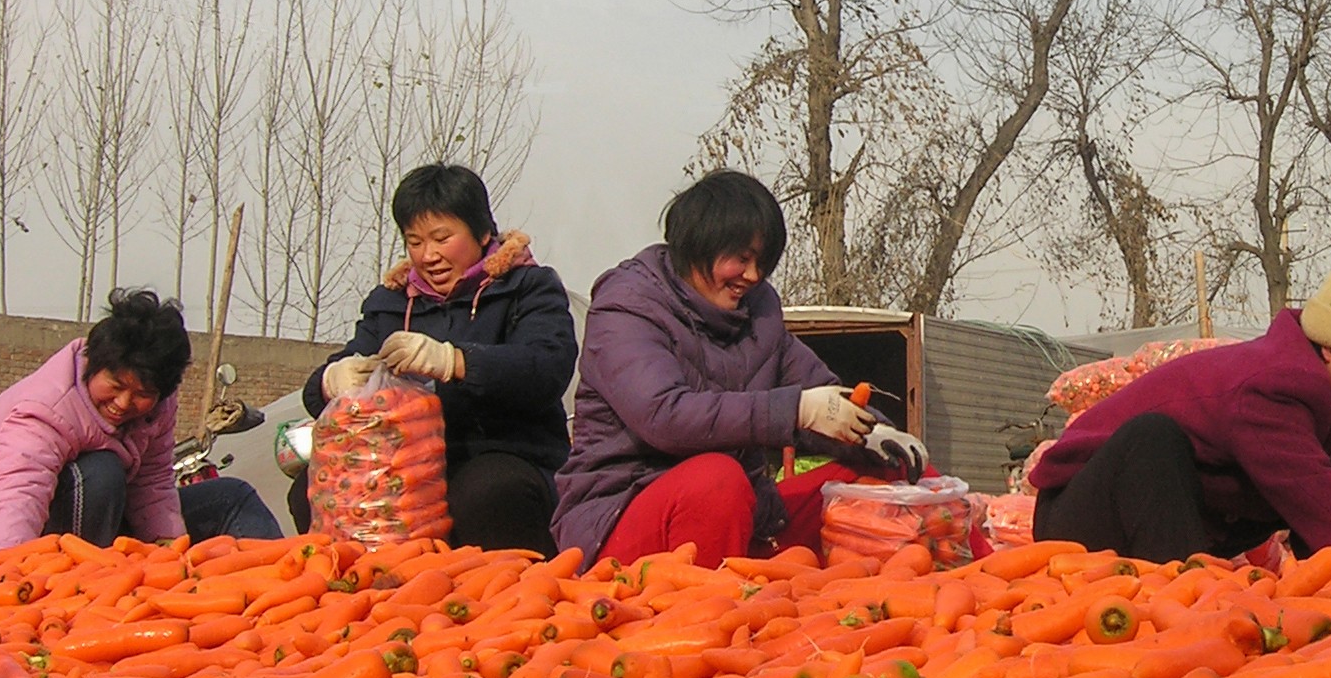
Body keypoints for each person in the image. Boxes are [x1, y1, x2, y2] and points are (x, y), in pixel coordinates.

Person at [555, 170, 927, 567]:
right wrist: (796, 410)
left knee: (886, 476)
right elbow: (663, 416)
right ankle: (699, 618)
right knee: (716, 480)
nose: (753, 276)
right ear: (698, 245)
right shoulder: (627, 308)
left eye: (762, 263)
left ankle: (980, 594)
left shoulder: (759, 314)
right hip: (625, 517)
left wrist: (870, 431)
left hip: (745, 515)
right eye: (742, 259)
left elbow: (823, 391)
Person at [1031, 243, 1331, 567]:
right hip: (1082, 514)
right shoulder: (1273, 385)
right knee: (1153, 438)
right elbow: (1315, 496)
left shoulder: (1326, 409)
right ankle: (1183, 606)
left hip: (1165, 508)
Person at [300, 163, 578, 551]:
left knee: (486, 493)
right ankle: (361, 603)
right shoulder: (391, 303)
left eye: (441, 238)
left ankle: (517, 600)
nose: (428, 255)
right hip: (404, 465)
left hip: (503, 454)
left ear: (483, 232)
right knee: (318, 491)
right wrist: (330, 380)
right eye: (415, 242)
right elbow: (335, 381)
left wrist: (456, 362)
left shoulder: (527, 288)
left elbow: (547, 368)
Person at [0, 290, 279, 555]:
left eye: (142, 393)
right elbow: (19, 495)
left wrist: (167, 550)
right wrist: (6, 575)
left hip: (91, 514)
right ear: (94, 365)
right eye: (117, 386)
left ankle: (289, 599)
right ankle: (86, 590)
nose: (124, 403)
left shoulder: (157, 405)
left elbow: (154, 481)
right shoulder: (47, 408)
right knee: (101, 471)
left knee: (231, 496)